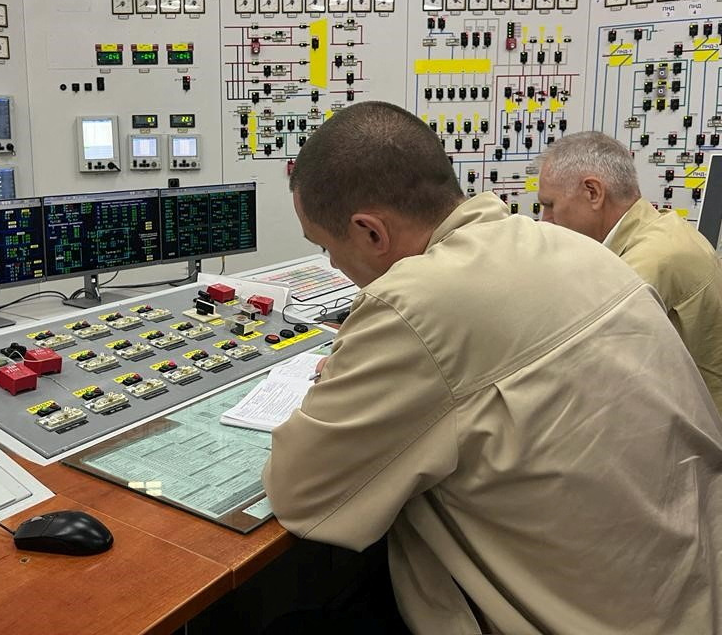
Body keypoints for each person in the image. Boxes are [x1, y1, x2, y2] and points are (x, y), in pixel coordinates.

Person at [262, 101, 722, 634]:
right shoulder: (572, 247)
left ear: (371, 232)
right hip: (691, 594)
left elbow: (301, 494)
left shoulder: (412, 303)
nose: (335, 267)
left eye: (327, 247)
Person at [537, 131, 722, 411]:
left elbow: (581, 367)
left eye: (550, 205)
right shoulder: (660, 231)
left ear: (593, 193)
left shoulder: (647, 262)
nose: (545, 221)